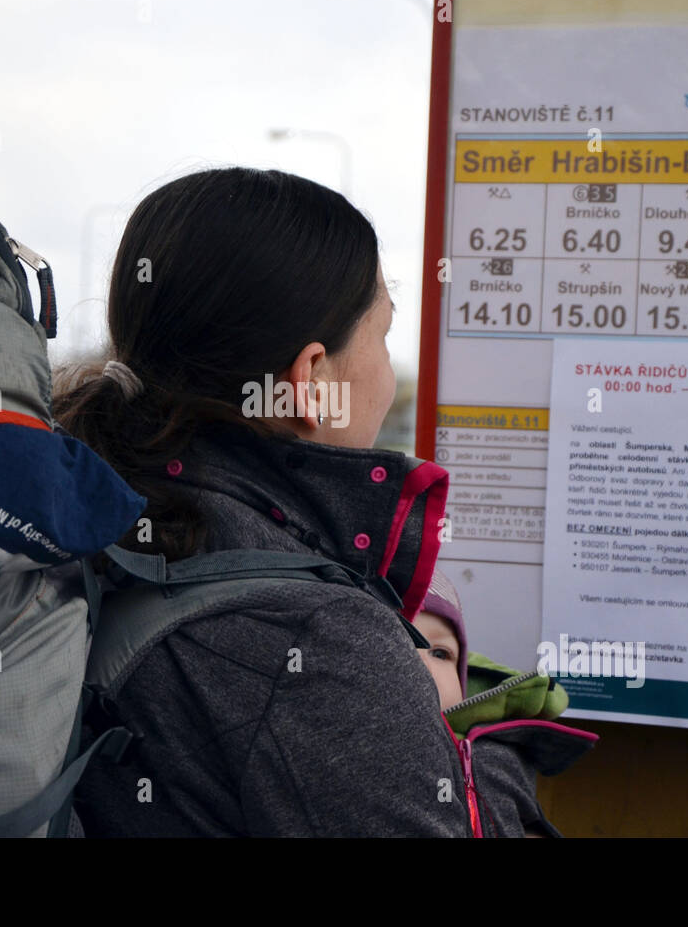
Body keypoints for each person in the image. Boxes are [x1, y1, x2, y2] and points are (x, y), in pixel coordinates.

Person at [55, 167, 473, 836]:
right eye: (383, 334)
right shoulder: (318, 642)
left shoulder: (81, 528)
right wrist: (495, 771)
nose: (388, 378)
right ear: (310, 381)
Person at [414, 569, 597, 837]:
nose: (421, 664)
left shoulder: (499, 748)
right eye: (400, 646)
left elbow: (527, 820)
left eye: (440, 653)